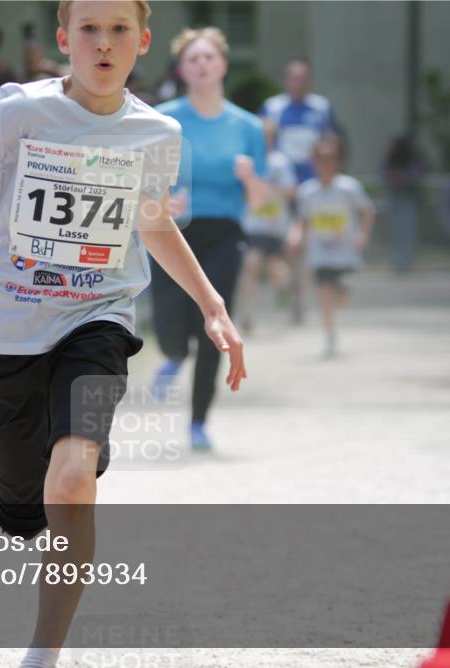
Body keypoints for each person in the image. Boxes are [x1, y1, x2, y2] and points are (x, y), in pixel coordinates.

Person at [0, 2, 245, 666]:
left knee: (71, 482)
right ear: (64, 38)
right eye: (89, 29)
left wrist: (211, 303)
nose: (103, 43)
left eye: (119, 30)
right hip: (7, 331)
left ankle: (43, 650)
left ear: (142, 42)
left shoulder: (156, 131)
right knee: (23, 513)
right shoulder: (20, 110)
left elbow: (152, 223)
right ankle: (6, 468)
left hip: (98, 320)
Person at [151, 26, 268, 451]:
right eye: (193, 60)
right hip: (171, 231)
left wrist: (250, 177)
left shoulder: (249, 126)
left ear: (223, 65)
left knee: (212, 328)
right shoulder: (163, 119)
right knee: (168, 322)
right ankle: (172, 356)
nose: (201, 65)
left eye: (208, 58)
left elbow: (260, 197)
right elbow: (145, 180)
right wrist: (163, 203)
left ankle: (199, 421)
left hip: (224, 232)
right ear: (182, 69)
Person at [261, 58, 339, 323]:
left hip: (309, 190)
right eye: (293, 77)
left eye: (303, 77)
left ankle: (299, 300)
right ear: (286, 80)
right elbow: (261, 142)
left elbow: (332, 143)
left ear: (310, 80)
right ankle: (286, 286)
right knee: (278, 249)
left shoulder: (321, 107)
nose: (298, 82)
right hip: (280, 191)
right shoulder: (273, 107)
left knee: (302, 246)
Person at [289, 135, 375, 359]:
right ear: (314, 162)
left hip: (345, 253)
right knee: (324, 293)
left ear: (339, 161)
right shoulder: (307, 191)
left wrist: (363, 234)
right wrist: (296, 235)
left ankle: (341, 297)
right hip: (320, 252)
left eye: (331, 158)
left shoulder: (349, 188)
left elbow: (367, 210)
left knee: (342, 296)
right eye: (321, 158)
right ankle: (330, 337)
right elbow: (302, 219)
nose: (326, 164)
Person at [235, 117, 297, 332]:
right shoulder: (246, 161)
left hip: (274, 224)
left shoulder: (280, 162)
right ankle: (247, 315)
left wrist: (267, 189)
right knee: (250, 265)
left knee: (275, 269)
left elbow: (291, 191)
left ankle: (290, 293)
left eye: (266, 136)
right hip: (252, 225)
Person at [381, 135, 424, 273]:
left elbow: (416, 175)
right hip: (394, 198)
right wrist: (393, 179)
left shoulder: (412, 158)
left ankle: (407, 261)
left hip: (408, 198)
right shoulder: (389, 159)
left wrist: (403, 179)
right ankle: (397, 261)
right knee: (395, 231)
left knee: (408, 231)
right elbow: (383, 174)